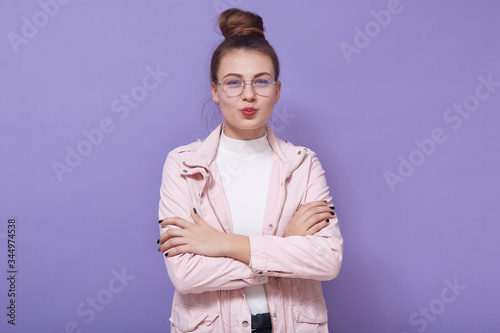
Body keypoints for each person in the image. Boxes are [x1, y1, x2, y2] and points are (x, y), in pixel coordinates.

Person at [157, 8, 343, 333]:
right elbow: (185, 274)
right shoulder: (183, 165)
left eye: (261, 81)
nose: (248, 95)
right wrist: (287, 244)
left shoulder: (303, 164)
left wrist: (224, 244)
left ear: (278, 90)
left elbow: (328, 260)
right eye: (233, 83)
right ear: (215, 91)